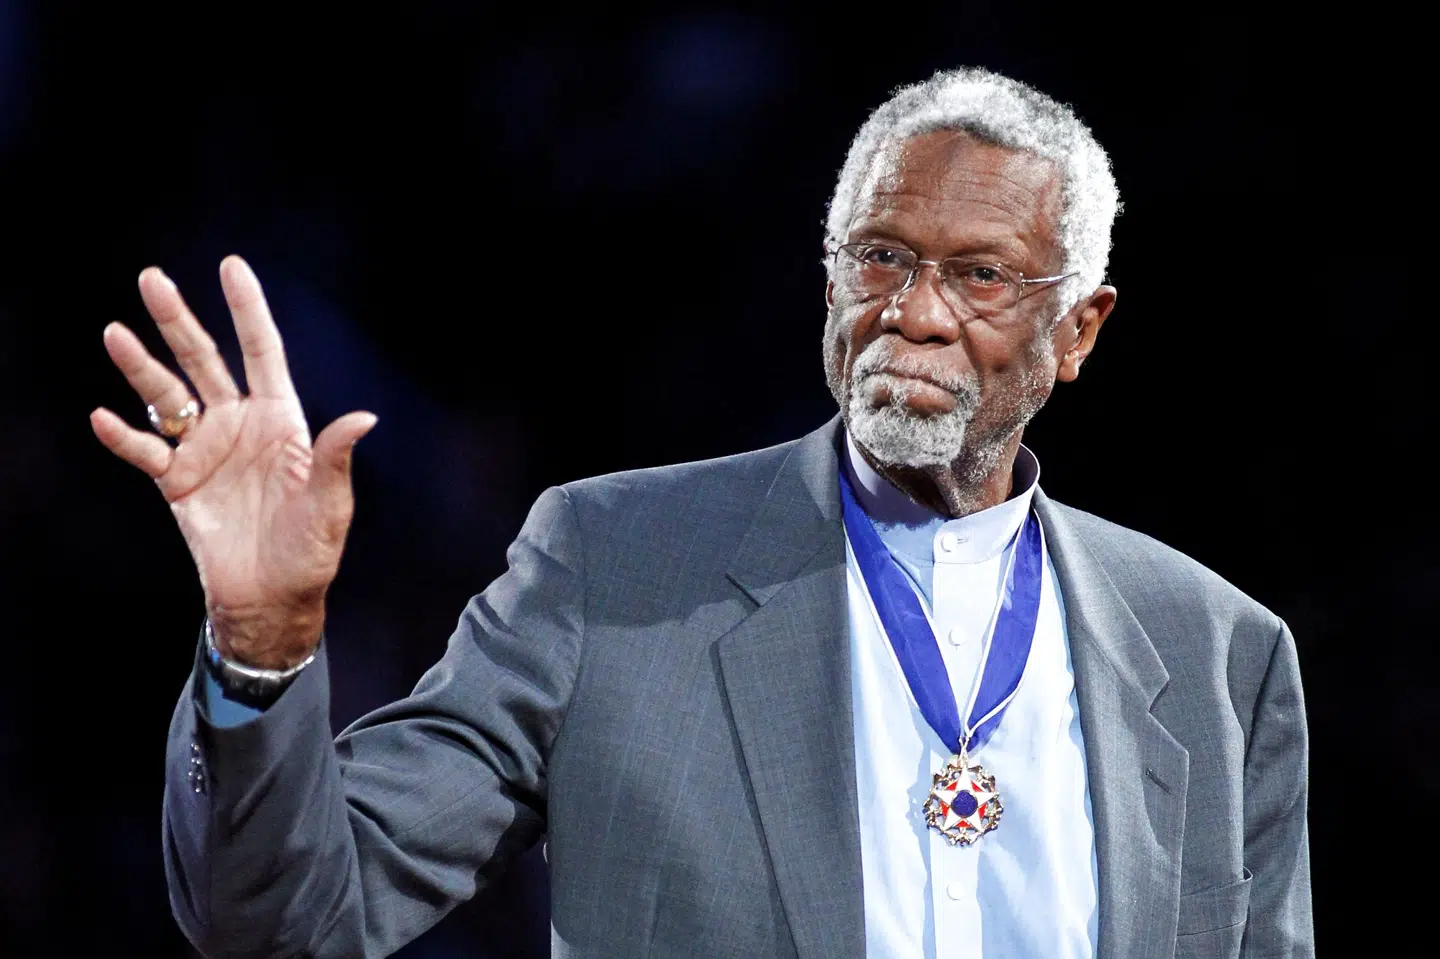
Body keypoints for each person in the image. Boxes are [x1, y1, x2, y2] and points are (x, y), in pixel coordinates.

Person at [92, 67, 1312, 958]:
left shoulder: (1221, 654)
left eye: (981, 274)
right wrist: (261, 647)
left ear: (1079, 329)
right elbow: (287, 922)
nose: (916, 312)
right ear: (829, 282)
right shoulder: (613, 568)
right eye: (881, 256)